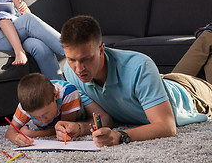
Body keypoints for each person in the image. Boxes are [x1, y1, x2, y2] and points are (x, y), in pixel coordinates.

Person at [54, 15, 212, 147]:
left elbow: (167, 126)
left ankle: (208, 35)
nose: (78, 68)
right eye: (71, 59)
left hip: (192, 94)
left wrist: (120, 136)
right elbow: (105, 118)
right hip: (162, 82)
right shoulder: (71, 72)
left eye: (86, 59)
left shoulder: (140, 66)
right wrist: (79, 128)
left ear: (101, 49)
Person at [5, 73, 84, 146]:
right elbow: (10, 131)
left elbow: (64, 129)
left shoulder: (68, 93)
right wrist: (15, 137)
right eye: (36, 117)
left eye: (46, 113)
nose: (43, 120)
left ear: (55, 96)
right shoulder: (25, 106)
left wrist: (32, 134)